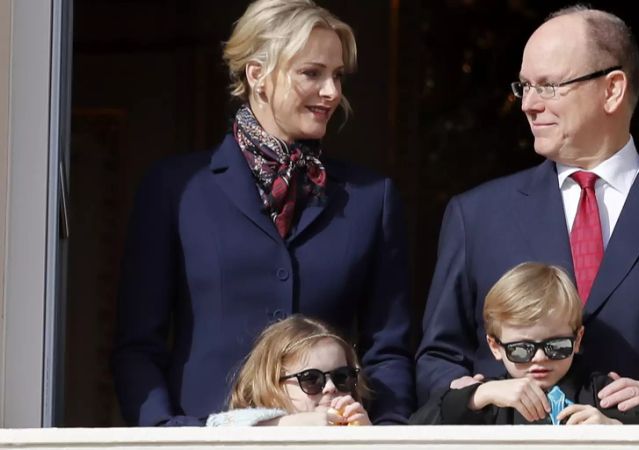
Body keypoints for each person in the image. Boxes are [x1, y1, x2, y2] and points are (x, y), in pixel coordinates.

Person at [416, 5, 639, 424]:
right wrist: (481, 396)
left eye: (548, 86)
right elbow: (438, 360)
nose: (528, 104)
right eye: (524, 86)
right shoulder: (475, 215)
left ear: (612, 89)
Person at [112, 0, 413, 426]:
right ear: (257, 75)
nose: (332, 92)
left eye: (337, 76)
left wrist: (382, 434)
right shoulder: (176, 187)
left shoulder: (371, 199)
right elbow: (138, 346)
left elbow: (389, 349)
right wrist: (168, 434)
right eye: (312, 73)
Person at [410, 263, 639, 425]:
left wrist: (616, 430)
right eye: (520, 349)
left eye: (556, 346)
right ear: (495, 346)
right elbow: (411, 432)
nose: (539, 358)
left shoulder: (605, 394)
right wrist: (475, 397)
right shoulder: (491, 400)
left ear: (577, 340)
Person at [206, 315, 371, 427]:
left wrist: (371, 438)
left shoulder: (352, 425)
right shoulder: (262, 424)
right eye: (312, 379)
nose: (330, 387)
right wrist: (289, 424)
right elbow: (219, 425)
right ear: (272, 386)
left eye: (342, 377)